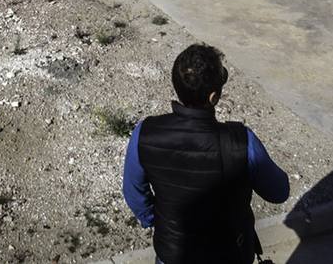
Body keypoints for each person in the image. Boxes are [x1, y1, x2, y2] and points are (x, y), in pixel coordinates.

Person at [123, 43, 290, 264]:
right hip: (229, 253)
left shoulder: (145, 133)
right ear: (213, 97)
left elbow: (133, 192)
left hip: (172, 254)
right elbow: (278, 192)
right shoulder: (241, 140)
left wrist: (158, 221)